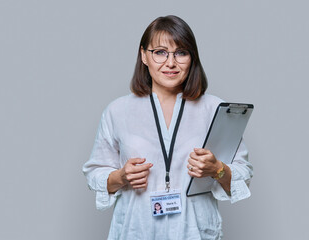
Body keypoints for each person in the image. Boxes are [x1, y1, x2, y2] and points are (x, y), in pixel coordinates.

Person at [83, 15, 253, 240]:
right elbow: (95, 172)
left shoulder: (213, 109)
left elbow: (243, 173)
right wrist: (122, 176)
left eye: (181, 53)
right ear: (144, 55)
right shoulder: (118, 111)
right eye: (160, 52)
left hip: (194, 232)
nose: (170, 63)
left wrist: (217, 168)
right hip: (136, 230)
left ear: (192, 58)